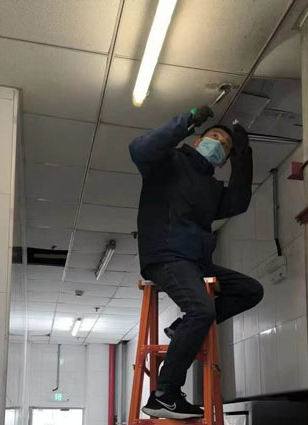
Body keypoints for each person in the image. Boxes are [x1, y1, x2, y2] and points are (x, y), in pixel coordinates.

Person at [129, 106, 264, 419]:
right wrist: (187, 121)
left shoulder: (212, 188)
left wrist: (243, 155)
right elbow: (139, 149)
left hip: (195, 262)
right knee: (202, 310)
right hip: (165, 255)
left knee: (250, 290)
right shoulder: (168, 162)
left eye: (226, 147)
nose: (220, 145)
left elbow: (239, 201)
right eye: (215, 137)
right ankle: (164, 395)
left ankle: (181, 329)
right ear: (198, 140)